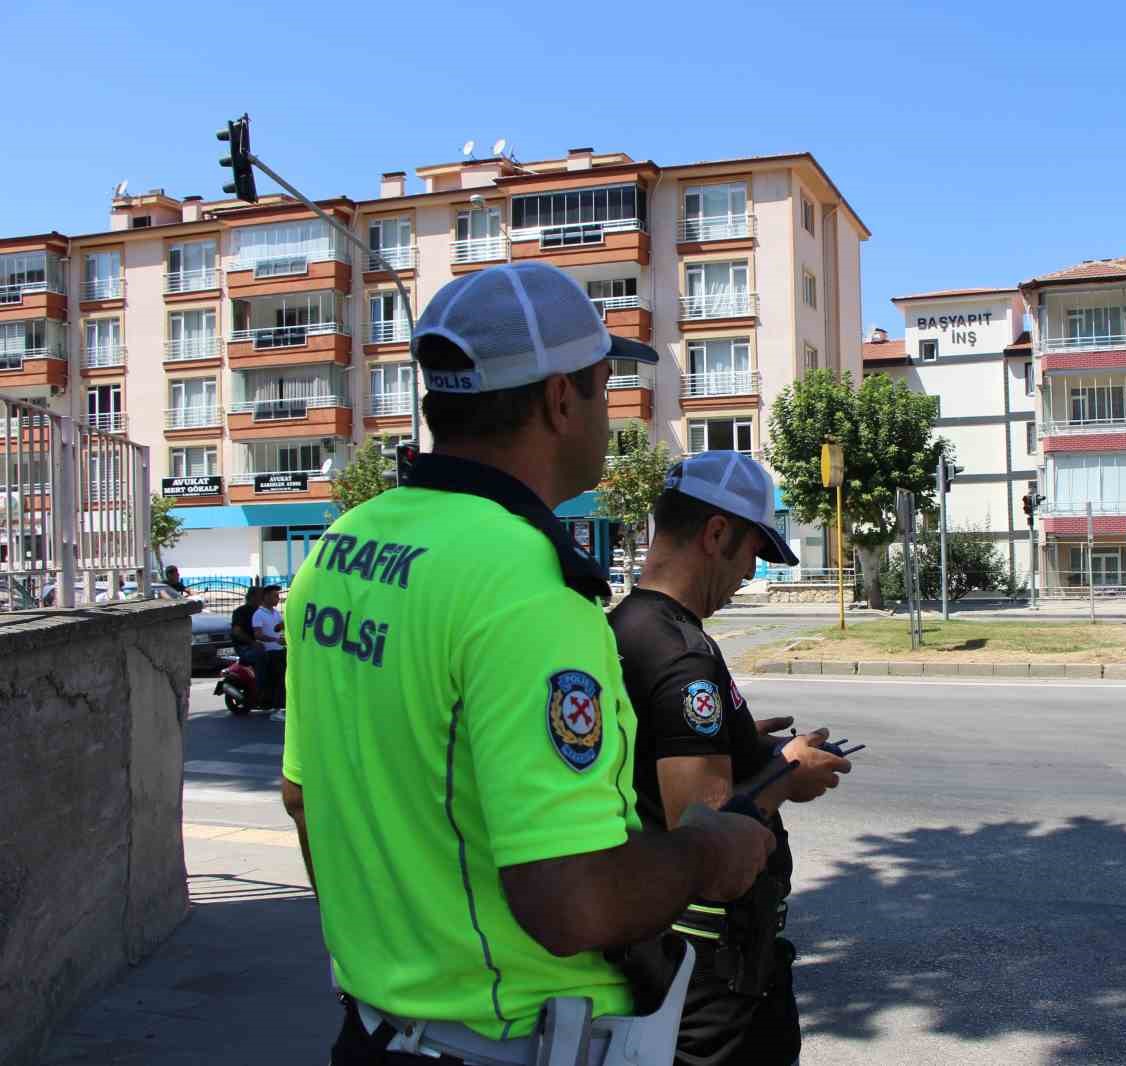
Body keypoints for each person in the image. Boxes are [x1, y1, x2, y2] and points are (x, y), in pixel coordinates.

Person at [280, 261, 775, 1066]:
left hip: (371, 1027)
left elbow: (304, 797)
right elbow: (572, 899)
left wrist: (396, 957)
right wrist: (708, 852)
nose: (607, 413)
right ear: (559, 399)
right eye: (605, 384)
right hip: (503, 1038)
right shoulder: (527, 585)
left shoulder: (341, 546)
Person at [609, 452, 856, 1066]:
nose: (752, 572)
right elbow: (703, 826)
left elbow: (652, 750)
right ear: (716, 533)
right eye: (752, 552)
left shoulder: (622, 625)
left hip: (656, 946)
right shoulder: (682, 654)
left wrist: (740, 740)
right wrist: (789, 773)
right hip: (707, 971)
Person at [252, 584, 287, 720]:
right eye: (275, 596)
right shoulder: (258, 614)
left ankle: (281, 707)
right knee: (276, 680)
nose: (278, 599)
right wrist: (274, 640)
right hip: (269, 652)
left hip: (279, 650)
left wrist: (284, 624)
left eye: (278, 596)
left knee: (283, 679)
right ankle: (275, 710)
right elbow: (258, 635)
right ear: (266, 597)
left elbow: (277, 628)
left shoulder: (275, 613)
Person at [229, 585, 262, 666]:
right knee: (263, 656)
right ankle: (260, 678)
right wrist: (253, 643)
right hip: (245, 647)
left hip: (261, 645)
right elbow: (237, 632)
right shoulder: (240, 612)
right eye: (261, 595)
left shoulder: (262, 612)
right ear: (252, 597)